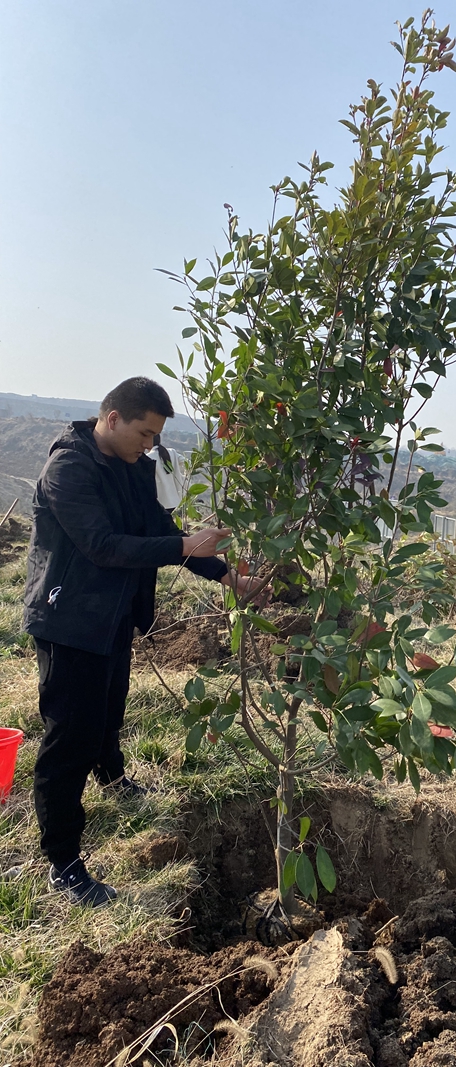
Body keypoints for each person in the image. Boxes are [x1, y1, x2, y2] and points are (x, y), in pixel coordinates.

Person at [23, 377, 254, 907]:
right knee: (70, 737)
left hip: (112, 615)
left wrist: (228, 577)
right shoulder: (68, 468)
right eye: (145, 433)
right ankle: (62, 861)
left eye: (155, 436)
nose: (150, 445)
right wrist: (183, 544)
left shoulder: (133, 467)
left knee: (110, 706)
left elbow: (158, 529)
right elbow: (103, 546)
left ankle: (111, 775)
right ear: (112, 419)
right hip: (69, 619)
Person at [145, 433, 187, 512]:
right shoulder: (172, 452)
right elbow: (188, 463)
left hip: (160, 504)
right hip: (176, 501)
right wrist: (184, 478)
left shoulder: (148, 458)